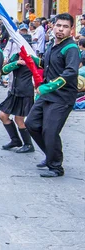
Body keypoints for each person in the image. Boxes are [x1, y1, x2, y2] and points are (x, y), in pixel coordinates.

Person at [26, 13, 80, 177]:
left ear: (71, 30)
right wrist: (31, 59)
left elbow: (70, 72)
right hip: (47, 95)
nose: (61, 29)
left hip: (62, 97)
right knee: (32, 124)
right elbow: (48, 64)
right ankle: (50, 155)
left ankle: (56, 166)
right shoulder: (52, 45)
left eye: (65, 27)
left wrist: (47, 87)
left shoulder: (71, 48)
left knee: (50, 131)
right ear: (52, 26)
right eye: (58, 25)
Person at [0, 44, 39, 153]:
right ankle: (15, 140)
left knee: (19, 119)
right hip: (13, 91)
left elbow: (40, 71)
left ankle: (28, 144)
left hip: (25, 92)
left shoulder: (33, 58)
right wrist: (16, 63)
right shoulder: (15, 56)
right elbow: (4, 70)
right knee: (3, 116)